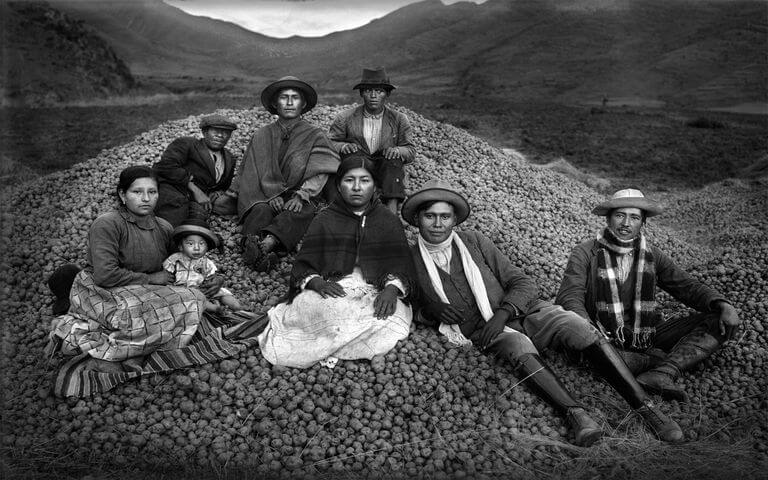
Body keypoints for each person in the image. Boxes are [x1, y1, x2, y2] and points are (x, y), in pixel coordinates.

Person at [402, 180, 684, 445]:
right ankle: (576, 415)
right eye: (430, 216)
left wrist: (503, 313)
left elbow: (523, 282)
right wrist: (431, 309)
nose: (438, 224)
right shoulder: (409, 260)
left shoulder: (474, 241)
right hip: (484, 331)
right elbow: (404, 304)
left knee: (577, 326)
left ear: (454, 219)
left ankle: (645, 408)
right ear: (417, 219)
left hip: (525, 312)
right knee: (518, 346)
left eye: (445, 216)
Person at [46, 166, 263, 397]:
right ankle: (120, 353)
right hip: (103, 291)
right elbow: (105, 275)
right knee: (183, 303)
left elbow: (183, 262)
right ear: (122, 195)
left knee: (191, 298)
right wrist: (151, 279)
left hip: (146, 292)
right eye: (137, 192)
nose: (146, 198)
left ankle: (138, 348)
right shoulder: (107, 224)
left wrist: (214, 278)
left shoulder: (163, 227)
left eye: (152, 192)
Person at [556, 188, 741, 402]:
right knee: (591, 355)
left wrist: (722, 304)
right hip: (601, 334)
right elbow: (569, 298)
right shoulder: (585, 252)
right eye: (619, 215)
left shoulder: (652, 255)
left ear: (643, 222)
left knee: (718, 320)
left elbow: (686, 286)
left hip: (643, 332)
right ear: (608, 219)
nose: (626, 223)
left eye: (634, 217)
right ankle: (649, 361)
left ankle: (662, 372)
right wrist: (592, 336)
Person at [258, 156, 414, 368]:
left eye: (365, 181)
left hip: (376, 285)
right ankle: (335, 346)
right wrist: (317, 283)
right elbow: (305, 264)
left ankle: (340, 347)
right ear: (339, 186)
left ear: (375, 186)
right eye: (349, 180)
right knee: (320, 308)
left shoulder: (388, 220)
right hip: (332, 281)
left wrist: (392, 289)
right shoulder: (325, 219)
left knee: (384, 316)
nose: (357, 187)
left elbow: (401, 263)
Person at [233, 76, 340, 271]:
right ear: (275, 103)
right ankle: (251, 245)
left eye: (295, 97)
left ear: (304, 103)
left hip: (299, 193)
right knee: (259, 210)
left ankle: (269, 243)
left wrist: (302, 195)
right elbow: (250, 171)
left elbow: (322, 169)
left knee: (297, 212)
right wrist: (270, 195)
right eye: (284, 97)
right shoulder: (261, 135)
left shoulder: (315, 135)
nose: (289, 103)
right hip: (265, 195)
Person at [329, 67, 416, 213]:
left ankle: (391, 214)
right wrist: (343, 147)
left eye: (379, 91)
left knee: (393, 161)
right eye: (369, 91)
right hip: (358, 162)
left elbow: (410, 150)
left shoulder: (399, 119)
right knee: (351, 158)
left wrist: (397, 150)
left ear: (387, 94)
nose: (374, 95)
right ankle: (350, 211)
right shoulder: (345, 117)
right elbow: (330, 143)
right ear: (362, 93)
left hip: (385, 166)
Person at [152, 114, 239, 226]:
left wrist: (217, 192)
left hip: (200, 202)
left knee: (199, 221)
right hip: (175, 193)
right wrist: (194, 188)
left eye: (226, 132)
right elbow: (165, 166)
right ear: (204, 132)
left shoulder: (229, 158)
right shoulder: (187, 144)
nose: (220, 135)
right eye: (215, 131)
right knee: (173, 220)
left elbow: (223, 185)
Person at [163, 218, 245, 313]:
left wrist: (212, 282)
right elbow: (166, 274)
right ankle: (215, 309)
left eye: (201, 244)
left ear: (207, 247)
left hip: (203, 288)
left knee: (222, 293)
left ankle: (237, 306)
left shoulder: (206, 262)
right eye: (190, 244)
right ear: (181, 247)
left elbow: (213, 276)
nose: (197, 248)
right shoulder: (174, 259)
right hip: (184, 291)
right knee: (198, 299)